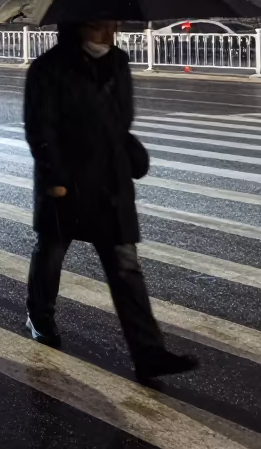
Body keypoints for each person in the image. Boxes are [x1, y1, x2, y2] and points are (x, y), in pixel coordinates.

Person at [24, 20, 198, 382]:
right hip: (66, 182)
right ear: (80, 26)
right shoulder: (48, 68)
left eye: (112, 26)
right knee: (52, 252)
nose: (109, 34)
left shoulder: (117, 62)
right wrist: (54, 178)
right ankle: (39, 317)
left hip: (109, 183)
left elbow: (123, 119)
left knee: (126, 266)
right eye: (101, 26)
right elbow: (40, 128)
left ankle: (148, 353)